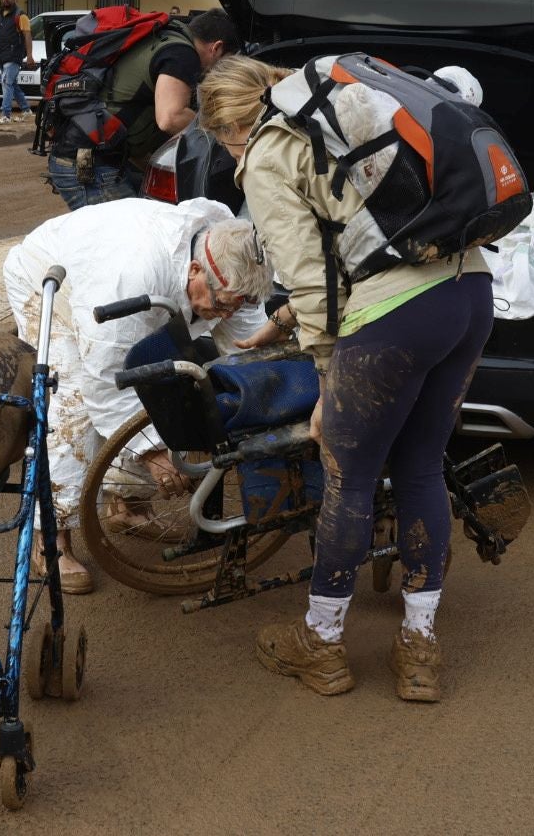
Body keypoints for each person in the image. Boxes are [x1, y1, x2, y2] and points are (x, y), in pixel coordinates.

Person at [195, 55, 496, 704]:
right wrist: (283, 322)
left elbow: (312, 276)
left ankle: (324, 644)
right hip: (470, 293)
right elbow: (351, 237)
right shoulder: (342, 116)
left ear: (228, 128)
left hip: (394, 316)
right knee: (420, 468)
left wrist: (330, 380)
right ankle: (420, 649)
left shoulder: (271, 151)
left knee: (348, 473)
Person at [2, 198, 272, 593]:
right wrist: (154, 454)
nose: (224, 315)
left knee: (160, 382)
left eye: (232, 307)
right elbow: (107, 383)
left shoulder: (234, 263)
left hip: (126, 282)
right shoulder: (130, 273)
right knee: (71, 404)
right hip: (53, 275)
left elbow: (247, 345)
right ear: (195, 270)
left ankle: (126, 505)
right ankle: (50, 538)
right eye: (220, 307)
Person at [44, 8, 241, 210]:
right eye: (226, 61)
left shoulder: (163, 37)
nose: (219, 72)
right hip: (89, 166)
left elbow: (135, 119)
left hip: (89, 157)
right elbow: (170, 118)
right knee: (126, 239)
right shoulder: (182, 53)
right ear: (216, 48)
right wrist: (224, 131)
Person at [0, 0, 34, 126]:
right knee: (12, 84)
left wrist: (30, 55)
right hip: (0, 56)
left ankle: (5, 115)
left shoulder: (21, 16)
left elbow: (27, 35)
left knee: (6, 82)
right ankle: (26, 110)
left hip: (14, 55)